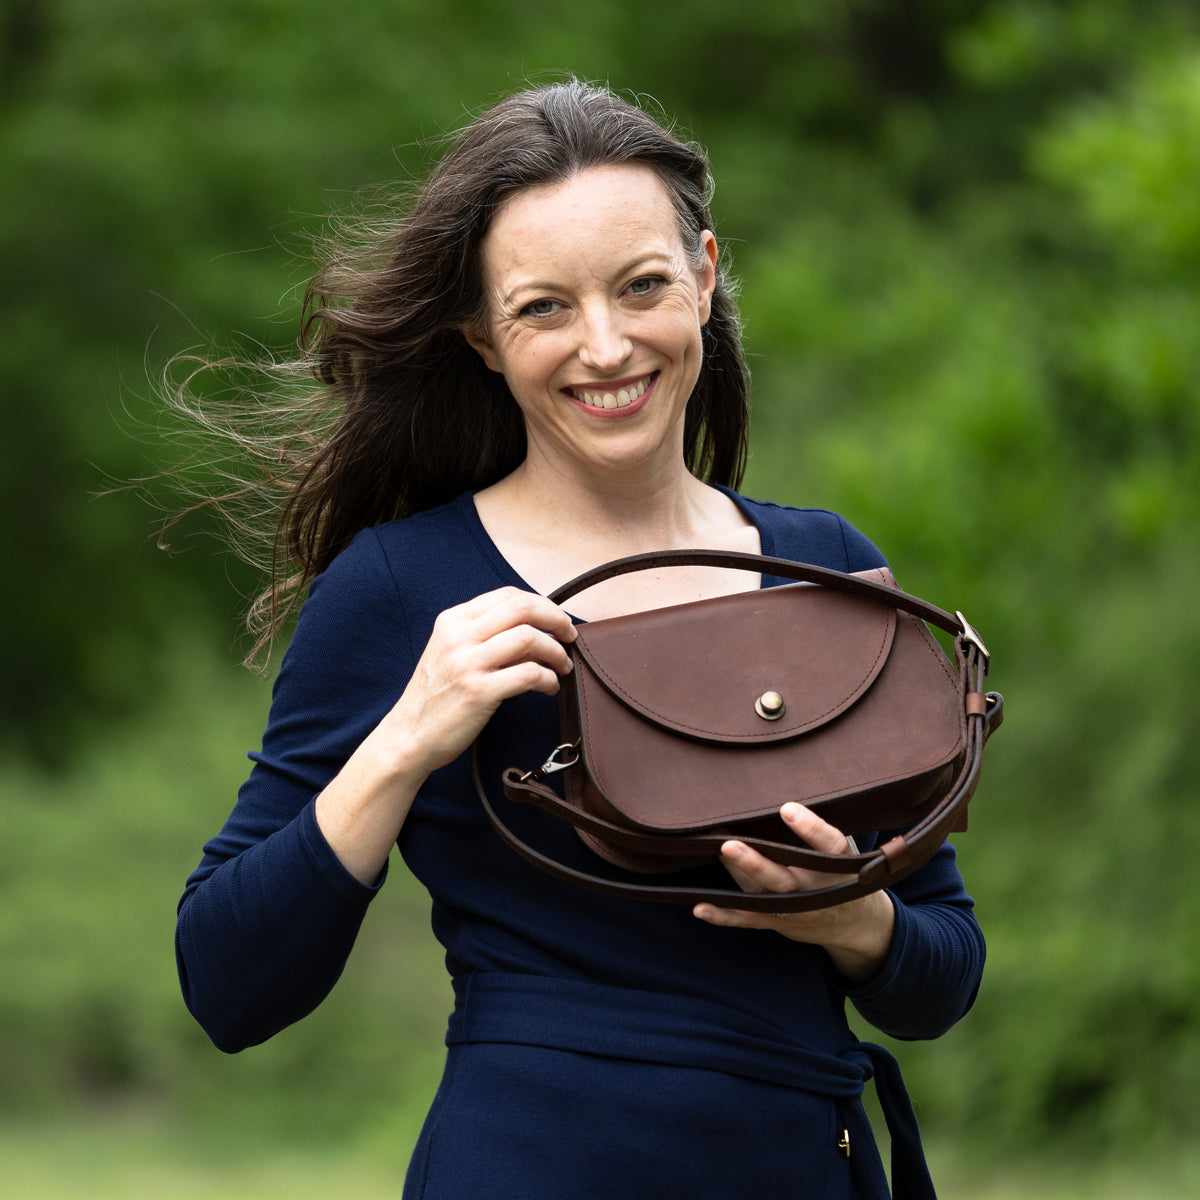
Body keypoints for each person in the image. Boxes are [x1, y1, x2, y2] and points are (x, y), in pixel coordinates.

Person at [175, 79, 984, 1199]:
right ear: (484, 339)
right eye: (544, 307)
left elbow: (942, 976)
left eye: (641, 286)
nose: (604, 346)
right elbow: (227, 984)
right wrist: (407, 738)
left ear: (703, 280)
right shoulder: (405, 587)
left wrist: (857, 918)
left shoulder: (825, 566)